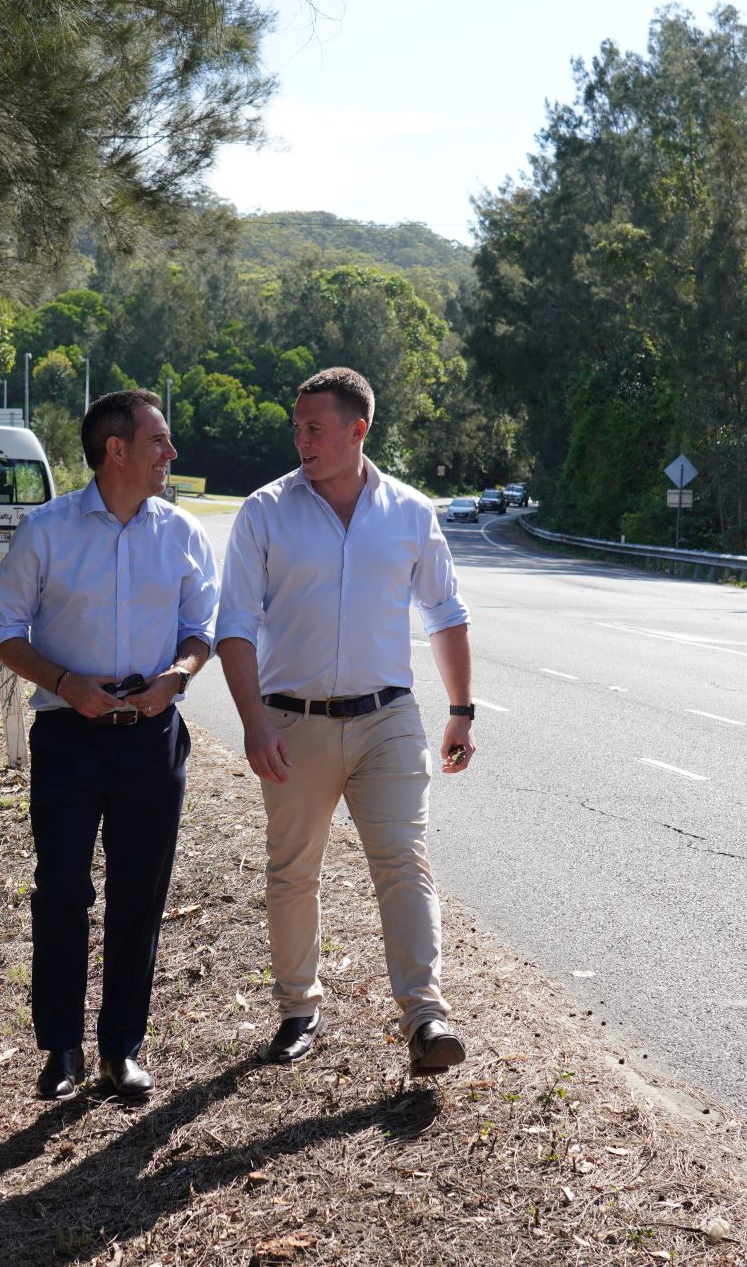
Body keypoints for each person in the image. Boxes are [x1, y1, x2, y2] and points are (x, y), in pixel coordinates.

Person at [216, 366, 478, 1077]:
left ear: (358, 430)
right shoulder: (265, 512)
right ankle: (298, 1008)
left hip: (388, 718)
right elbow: (234, 626)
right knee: (293, 870)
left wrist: (459, 709)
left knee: (403, 861)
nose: (300, 440)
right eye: (297, 427)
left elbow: (445, 613)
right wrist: (252, 721)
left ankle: (426, 1016)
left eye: (315, 428)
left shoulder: (409, 512)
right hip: (291, 721)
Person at [0, 389, 218, 1101]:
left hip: (153, 737)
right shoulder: (47, 531)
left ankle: (121, 1048)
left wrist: (175, 680)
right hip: (67, 735)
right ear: (116, 449)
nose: (170, 455)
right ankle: (61, 1048)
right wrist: (66, 682)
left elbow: (201, 626)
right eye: (159, 441)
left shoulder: (181, 532)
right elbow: (3, 629)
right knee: (61, 888)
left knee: (139, 894)